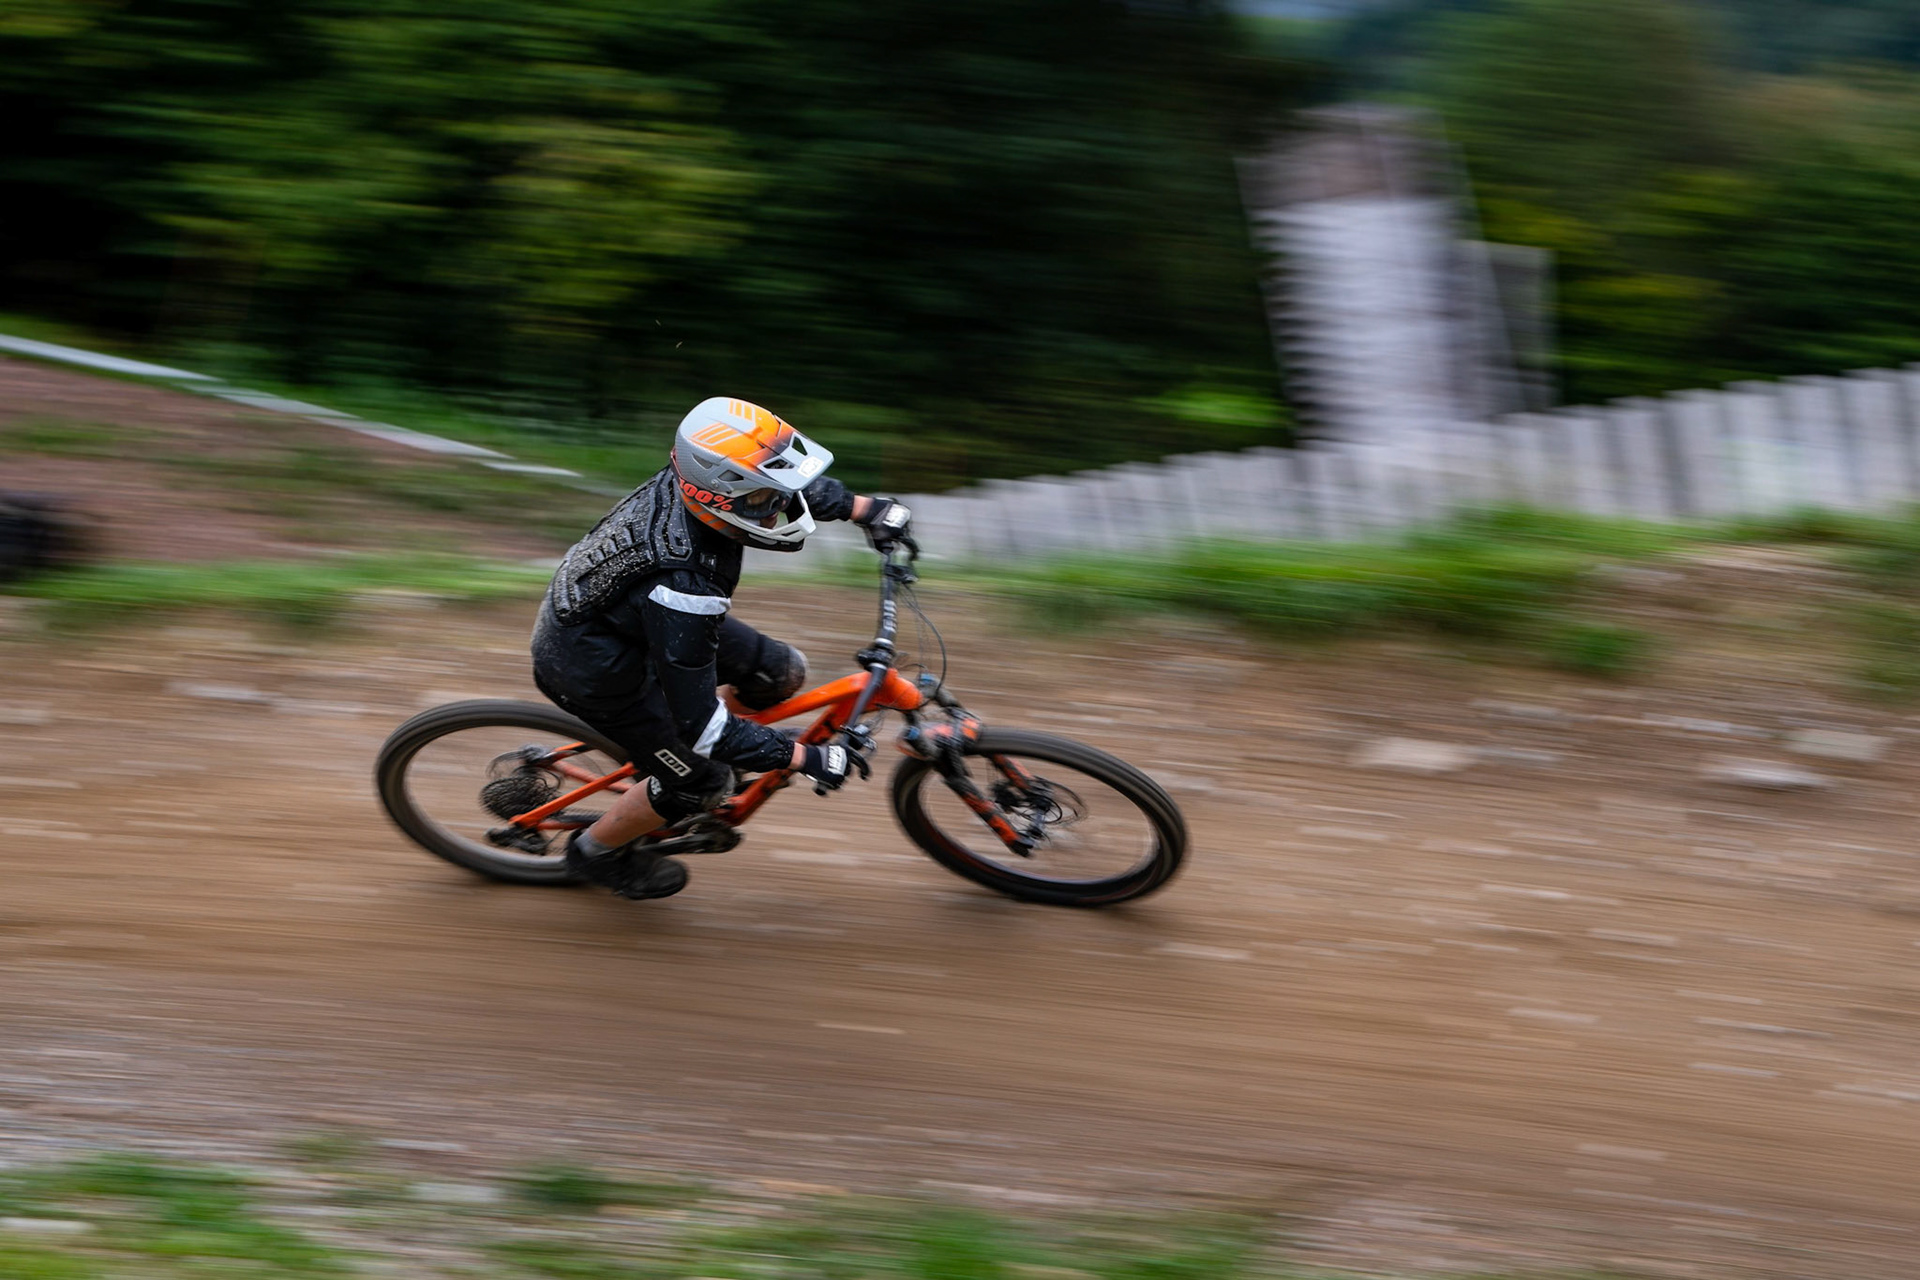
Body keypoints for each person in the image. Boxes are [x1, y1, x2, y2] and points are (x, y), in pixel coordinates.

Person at [530, 397, 912, 900]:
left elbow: (775, 482)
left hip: (626, 618)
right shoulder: (686, 584)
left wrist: (865, 508)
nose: (778, 509)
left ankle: (715, 752)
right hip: (594, 668)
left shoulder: (698, 479)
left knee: (781, 673)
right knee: (703, 780)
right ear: (717, 494)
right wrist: (804, 758)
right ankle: (595, 853)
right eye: (763, 501)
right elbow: (701, 725)